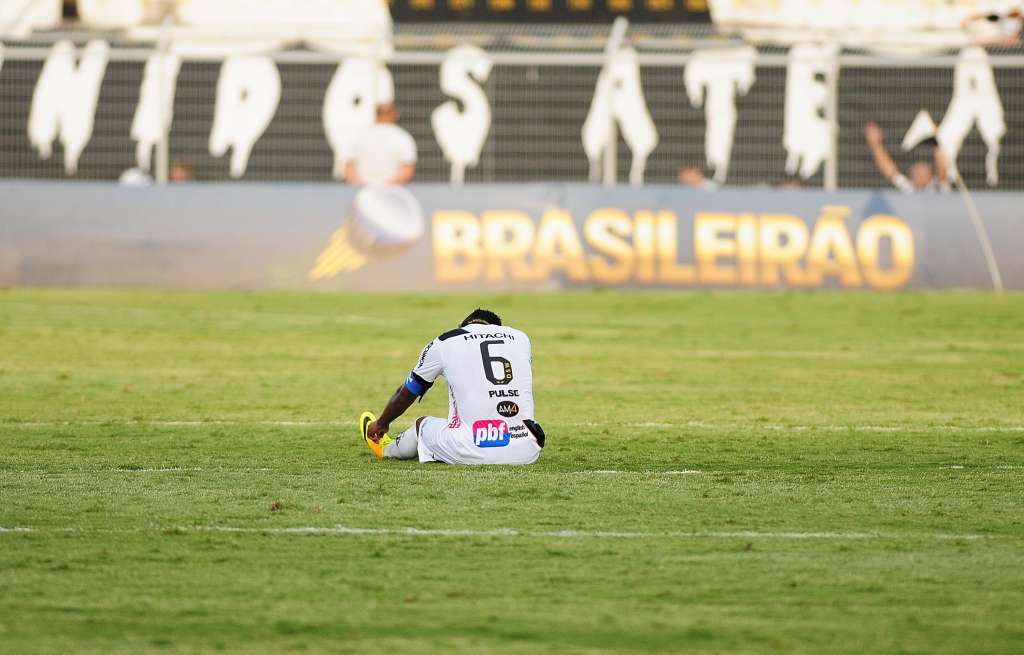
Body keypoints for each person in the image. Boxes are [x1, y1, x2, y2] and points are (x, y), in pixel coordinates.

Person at [360, 308, 544, 466]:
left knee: (420, 425)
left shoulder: (445, 342)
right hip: (526, 452)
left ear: (463, 327)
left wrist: (382, 423)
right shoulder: (521, 338)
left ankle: (386, 449)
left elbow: (407, 392)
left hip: (470, 449)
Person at [343, 102, 417, 186]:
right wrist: (388, 186)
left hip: (363, 190)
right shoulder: (402, 137)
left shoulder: (359, 135)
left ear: (376, 114)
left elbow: (348, 167)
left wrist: (360, 185)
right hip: (391, 192)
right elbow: (407, 169)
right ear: (395, 114)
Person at [864, 122, 950, 193]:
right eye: (916, 173)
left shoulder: (939, 188)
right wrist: (875, 144)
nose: (919, 175)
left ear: (930, 175)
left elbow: (942, 169)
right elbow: (890, 172)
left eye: (922, 173)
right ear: (911, 175)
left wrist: (938, 140)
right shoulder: (909, 189)